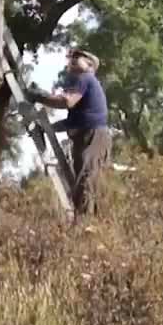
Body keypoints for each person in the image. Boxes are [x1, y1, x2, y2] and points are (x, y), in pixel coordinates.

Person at [26, 49, 112, 219]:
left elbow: (67, 101)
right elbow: (70, 123)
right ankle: (88, 224)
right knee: (84, 183)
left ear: (89, 65)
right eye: (71, 57)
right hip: (86, 137)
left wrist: (39, 96)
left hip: (93, 136)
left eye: (77, 57)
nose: (72, 59)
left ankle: (85, 227)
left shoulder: (85, 78)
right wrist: (46, 128)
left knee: (86, 181)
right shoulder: (83, 84)